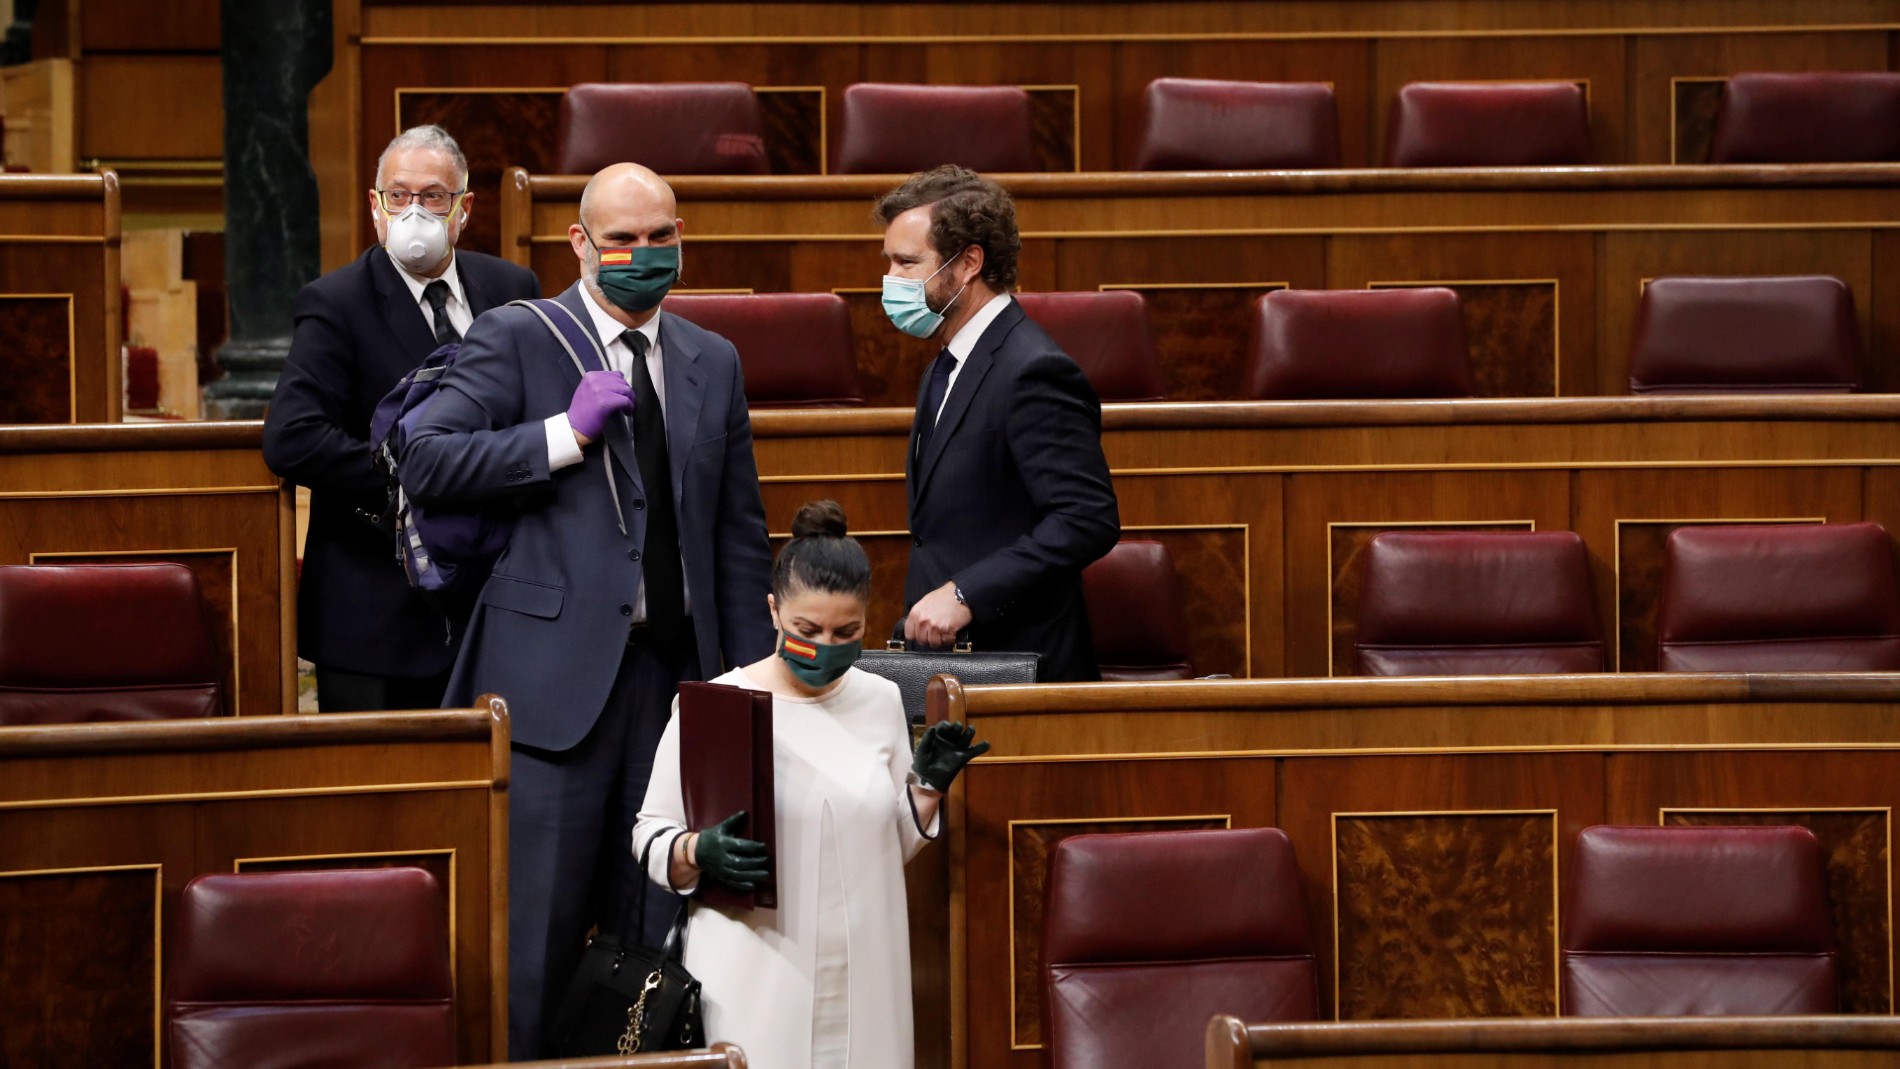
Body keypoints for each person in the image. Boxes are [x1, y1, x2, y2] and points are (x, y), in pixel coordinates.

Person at [396, 161, 776, 1059]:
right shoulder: (519, 336)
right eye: (622, 240)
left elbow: (735, 536)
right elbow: (426, 457)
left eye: (660, 237)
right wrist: (562, 436)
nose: (644, 254)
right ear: (579, 243)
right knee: (535, 938)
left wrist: (750, 691)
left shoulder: (711, 358)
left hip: (675, 686)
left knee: (658, 934)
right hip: (551, 692)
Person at [634, 500, 989, 1069]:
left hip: (867, 970)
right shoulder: (717, 706)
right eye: (806, 630)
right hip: (754, 971)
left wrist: (925, 788)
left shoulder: (880, 701)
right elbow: (649, 833)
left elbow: (886, 847)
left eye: (845, 632)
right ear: (774, 611)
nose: (824, 646)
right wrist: (696, 849)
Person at [263, 123, 540, 712]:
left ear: (464, 208)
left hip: (494, 601)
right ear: (375, 206)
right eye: (398, 195)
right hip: (375, 612)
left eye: (433, 196)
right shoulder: (336, 302)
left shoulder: (511, 288)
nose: (414, 210)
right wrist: (418, 473)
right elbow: (293, 439)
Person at [874, 165, 1121, 682]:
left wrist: (966, 593)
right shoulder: (947, 364)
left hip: (1023, 669)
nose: (891, 280)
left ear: (968, 263)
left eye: (907, 262)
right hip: (958, 666)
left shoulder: (1032, 368)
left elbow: (1086, 518)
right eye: (889, 262)